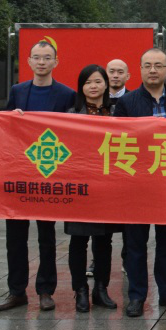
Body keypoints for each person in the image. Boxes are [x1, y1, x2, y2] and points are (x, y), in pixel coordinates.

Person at [0, 39, 75, 312]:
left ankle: (45, 289)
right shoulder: (18, 91)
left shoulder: (66, 94)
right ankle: (16, 290)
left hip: (50, 173)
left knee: (47, 235)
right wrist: (11, 116)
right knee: (15, 236)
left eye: (47, 58)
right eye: (37, 57)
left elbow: (73, 134)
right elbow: (4, 128)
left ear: (56, 62)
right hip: (20, 172)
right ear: (28, 61)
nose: (41, 62)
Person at [112, 48, 166, 317]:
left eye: (159, 65)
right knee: (135, 243)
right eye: (148, 65)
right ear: (140, 69)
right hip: (137, 185)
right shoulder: (128, 102)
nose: (153, 70)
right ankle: (136, 296)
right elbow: (119, 142)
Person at [64, 65, 120, 312]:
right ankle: (81, 290)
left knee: (104, 241)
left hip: (108, 187)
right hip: (80, 185)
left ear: (106, 84)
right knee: (79, 240)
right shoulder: (70, 113)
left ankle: (101, 289)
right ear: (81, 87)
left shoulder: (118, 112)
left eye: (98, 81)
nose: (93, 86)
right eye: (88, 83)